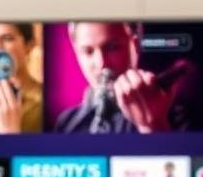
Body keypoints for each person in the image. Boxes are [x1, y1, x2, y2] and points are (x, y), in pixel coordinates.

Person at [53, 22, 182, 134]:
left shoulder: (175, 116)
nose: (101, 64)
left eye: (112, 48)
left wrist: (152, 126)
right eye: (88, 51)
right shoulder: (66, 123)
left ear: (135, 46)